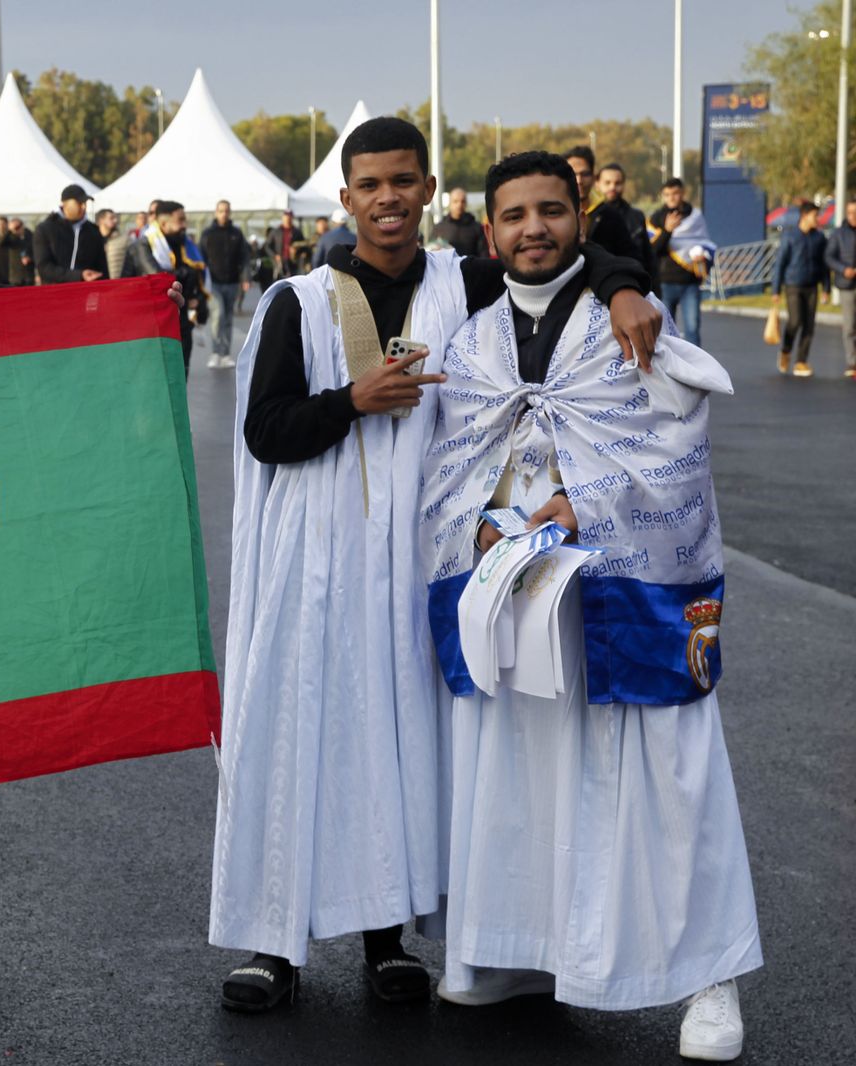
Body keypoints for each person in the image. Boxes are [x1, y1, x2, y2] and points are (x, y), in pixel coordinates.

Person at [212, 118, 661, 1015]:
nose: (388, 198)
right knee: (298, 728)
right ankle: (272, 944)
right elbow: (267, 432)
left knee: (400, 737)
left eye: (405, 181)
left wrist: (623, 290)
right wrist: (350, 400)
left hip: (426, 552)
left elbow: (564, 258)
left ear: (428, 191)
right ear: (345, 198)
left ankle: (388, 938)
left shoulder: (467, 281)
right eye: (371, 184)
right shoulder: (298, 301)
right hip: (317, 556)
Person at [421, 150, 759, 1063]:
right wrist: (488, 524)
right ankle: (517, 951)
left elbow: (677, 453)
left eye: (552, 210)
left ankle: (709, 976)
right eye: (515, 215)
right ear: (490, 232)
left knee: (666, 773)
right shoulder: (469, 344)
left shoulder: (633, 326)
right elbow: (446, 465)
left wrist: (588, 504)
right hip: (518, 600)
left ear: (582, 216)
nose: (535, 228)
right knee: (519, 768)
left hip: (621, 591)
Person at [123, 199, 206, 369]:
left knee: (181, 376)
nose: (185, 225)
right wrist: (186, 274)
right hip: (151, 326)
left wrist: (198, 299)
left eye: (185, 220)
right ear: (163, 223)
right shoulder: (143, 245)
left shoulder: (186, 245)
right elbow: (161, 280)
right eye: (180, 220)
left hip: (181, 324)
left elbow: (199, 277)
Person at [648, 177, 714, 345]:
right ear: (663, 196)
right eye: (667, 194)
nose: (671, 197)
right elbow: (653, 251)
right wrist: (667, 231)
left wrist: (703, 256)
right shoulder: (655, 219)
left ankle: (695, 369)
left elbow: (706, 243)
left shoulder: (695, 216)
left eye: (675, 193)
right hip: (665, 283)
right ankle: (669, 369)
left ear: (682, 193)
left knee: (692, 329)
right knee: (665, 332)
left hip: (690, 282)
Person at [772, 201, 832, 377]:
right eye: (815, 215)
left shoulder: (820, 238)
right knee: (795, 320)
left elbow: (823, 265)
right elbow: (780, 264)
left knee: (809, 325)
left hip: (812, 286)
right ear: (805, 216)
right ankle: (785, 350)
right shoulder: (790, 237)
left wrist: (826, 288)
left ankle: (801, 362)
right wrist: (776, 290)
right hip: (793, 285)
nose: (818, 219)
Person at [563, 146, 642, 262]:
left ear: (594, 177)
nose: (579, 180)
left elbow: (631, 259)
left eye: (585, 174)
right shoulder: (549, 216)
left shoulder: (610, 216)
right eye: (573, 174)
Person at [200, 200, 251, 369]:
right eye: (221, 211)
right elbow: (200, 258)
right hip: (213, 283)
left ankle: (226, 354)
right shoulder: (208, 233)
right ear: (216, 212)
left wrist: (245, 278)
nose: (224, 214)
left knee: (228, 317)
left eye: (227, 211)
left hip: (232, 282)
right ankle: (215, 352)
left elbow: (244, 257)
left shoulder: (236, 233)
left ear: (230, 212)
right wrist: (199, 282)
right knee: (218, 314)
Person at [32, 184, 107, 284]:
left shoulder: (93, 231)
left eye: (85, 203)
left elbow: (102, 267)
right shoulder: (45, 229)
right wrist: (79, 275)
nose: (84, 207)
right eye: (79, 203)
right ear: (65, 204)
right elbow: (44, 268)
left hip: (86, 293)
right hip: (54, 294)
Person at [594, 163, 652, 271]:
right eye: (607, 183)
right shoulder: (589, 216)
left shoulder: (636, 217)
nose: (612, 187)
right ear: (597, 183)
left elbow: (648, 256)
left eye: (617, 183)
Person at [827, 198, 856, 379]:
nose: (853, 216)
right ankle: (852, 362)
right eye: (850, 212)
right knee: (849, 326)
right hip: (847, 285)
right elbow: (829, 257)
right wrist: (842, 269)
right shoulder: (839, 234)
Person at [432, 187, 487, 257]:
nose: (459, 205)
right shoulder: (439, 228)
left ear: (466, 203)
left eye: (462, 201)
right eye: (455, 201)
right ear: (450, 203)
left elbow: (483, 255)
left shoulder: (477, 228)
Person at [263, 209, 304, 279]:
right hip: (279, 263)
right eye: (286, 217)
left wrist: (297, 251)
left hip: (293, 263)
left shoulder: (297, 232)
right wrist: (274, 255)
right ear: (283, 218)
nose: (288, 219)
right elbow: (267, 246)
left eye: (289, 217)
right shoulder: (275, 231)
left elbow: (304, 246)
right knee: (279, 283)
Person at [96, 208, 128, 280]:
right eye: (111, 218)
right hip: (99, 284)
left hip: (118, 283)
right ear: (101, 220)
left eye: (115, 218)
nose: (115, 220)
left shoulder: (124, 240)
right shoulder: (92, 239)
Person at [5, 217, 35, 285]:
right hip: (16, 278)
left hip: (28, 276)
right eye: (15, 228)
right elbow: (1, 243)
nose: (17, 229)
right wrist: (10, 231)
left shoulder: (31, 236)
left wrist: (30, 258)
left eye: (18, 227)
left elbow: (37, 253)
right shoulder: (11, 238)